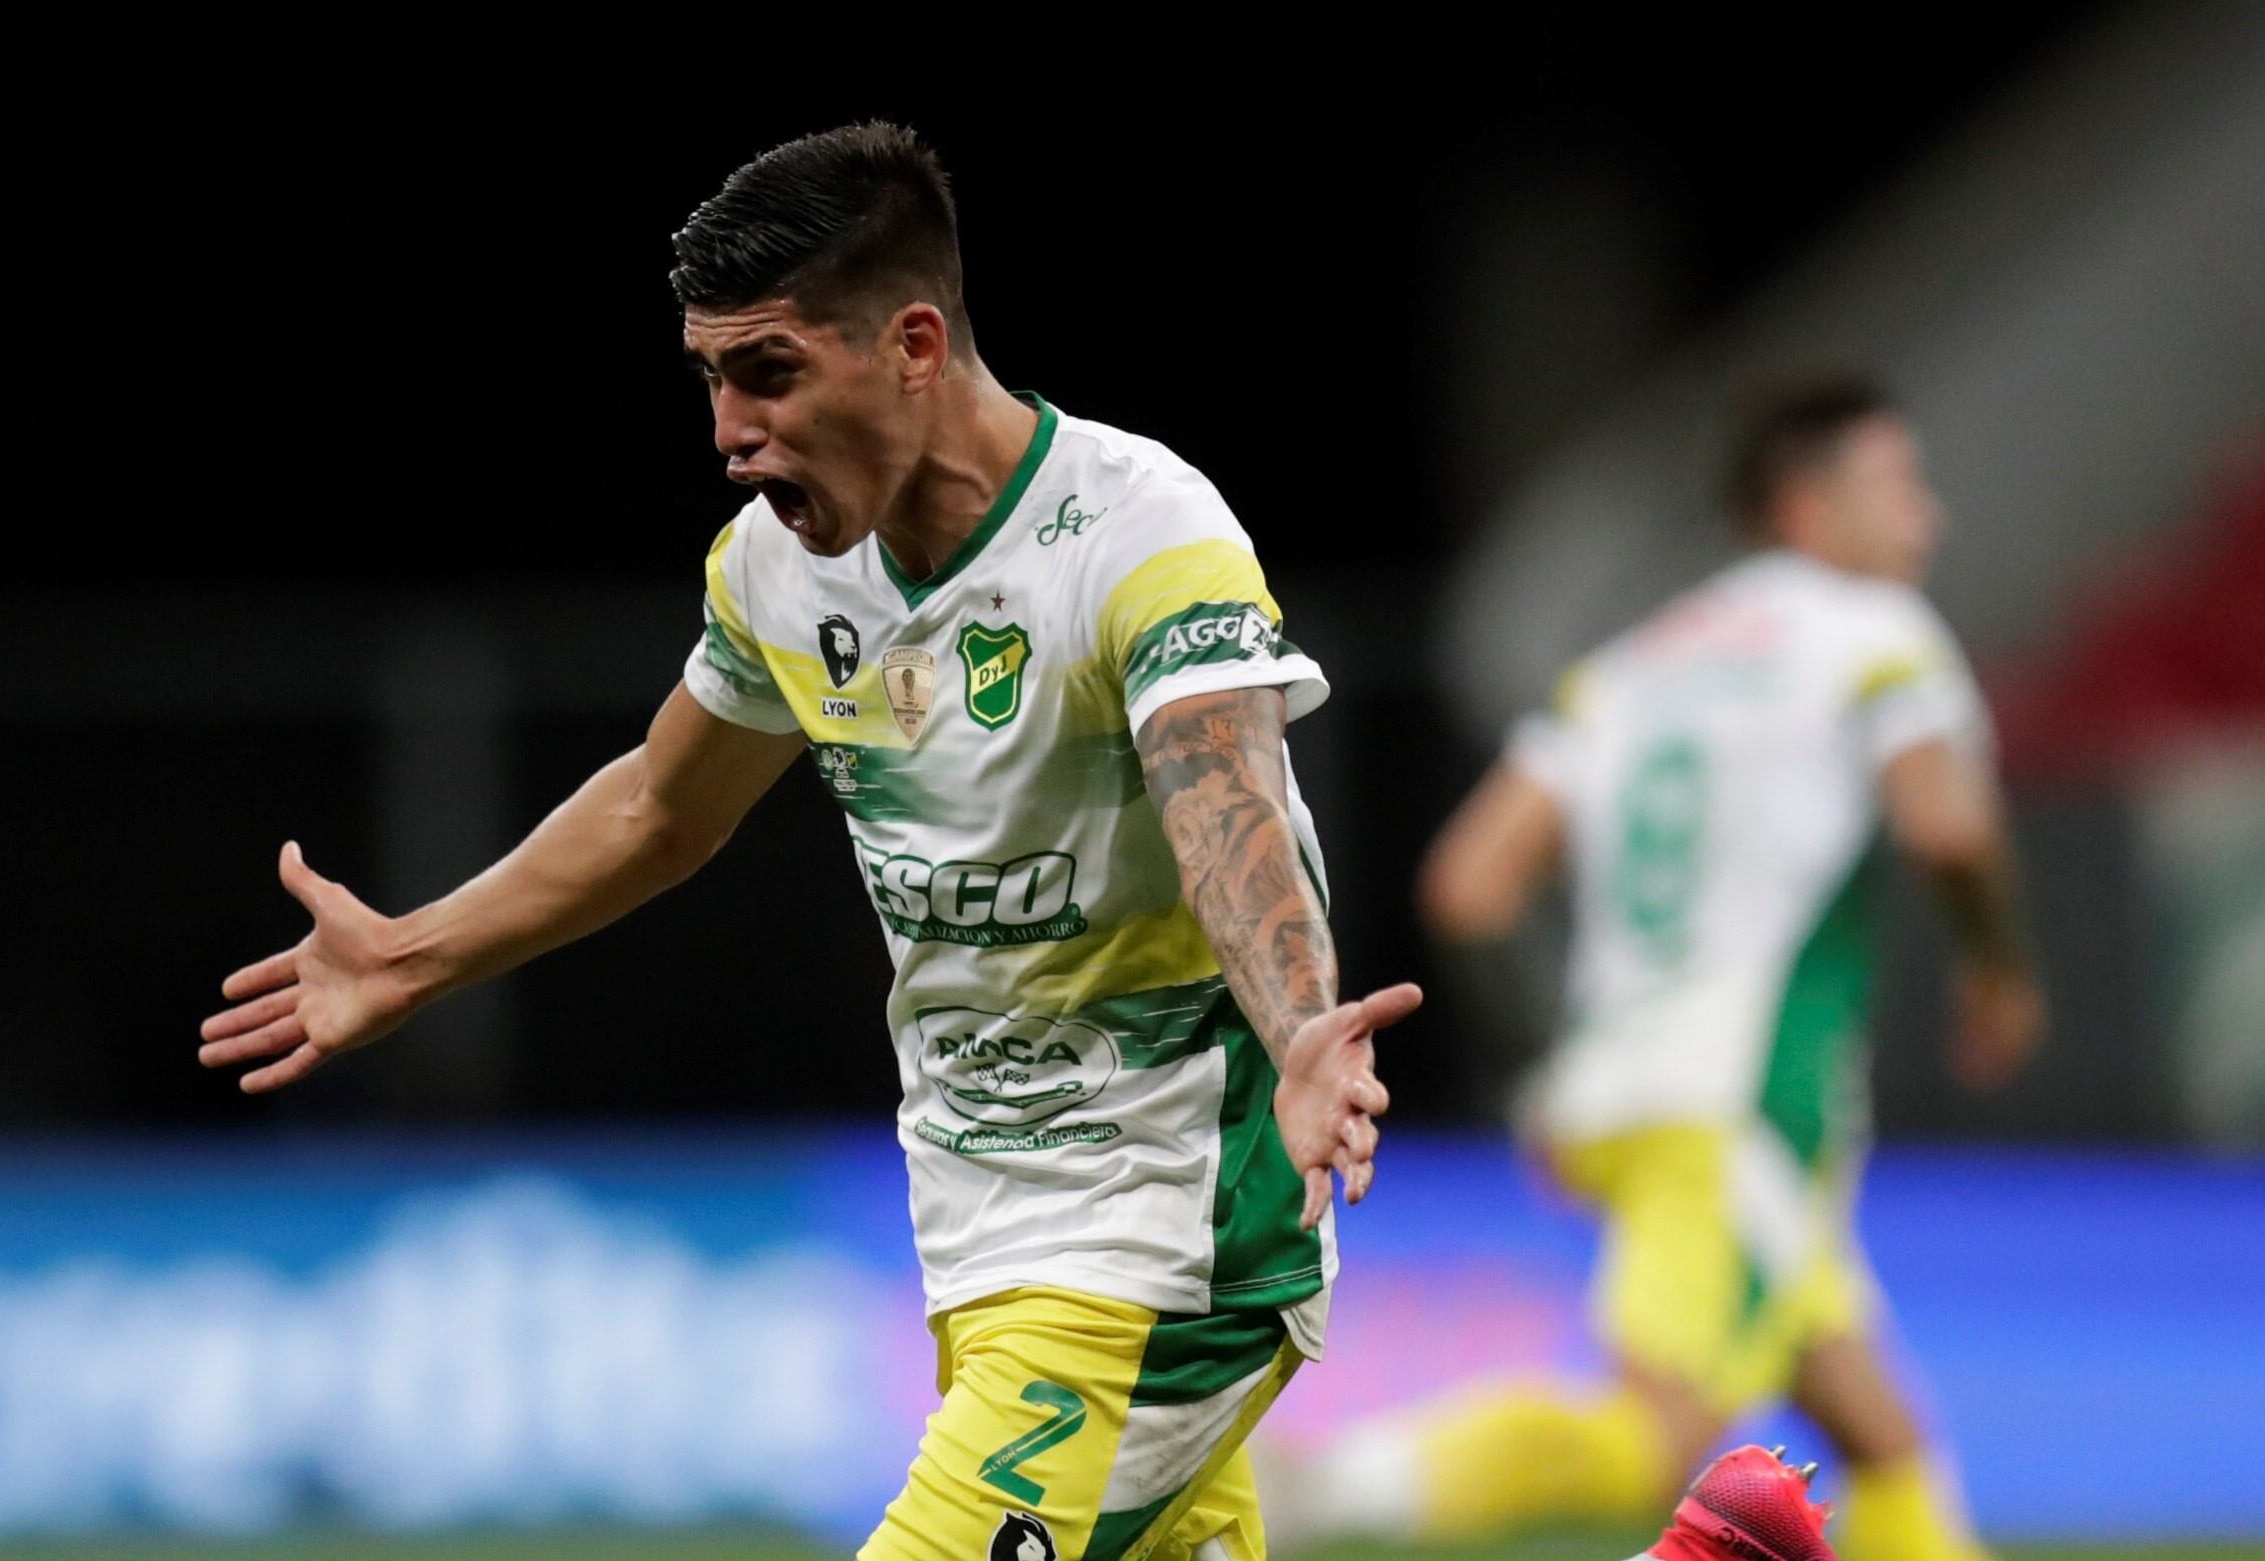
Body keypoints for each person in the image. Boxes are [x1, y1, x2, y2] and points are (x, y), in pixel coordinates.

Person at [197, 121, 1422, 1561]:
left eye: (766, 371)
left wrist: (1297, 1032)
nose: (726, 433)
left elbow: (1221, 799)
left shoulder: (1139, 532)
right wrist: (412, 954)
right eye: (711, 379)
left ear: (911, 343)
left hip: (1175, 1225)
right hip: (983, 1226)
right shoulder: (780, 570)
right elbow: (662, 805)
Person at [1282, 382, 2043, 1560]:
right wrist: (1998, 967)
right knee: (1656, 1436)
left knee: (1875, 1429)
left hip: (1623, 1093)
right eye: (1895, 484)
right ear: (1799, 503)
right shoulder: (1875, 632)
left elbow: (1469, 883)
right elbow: (1945, 827)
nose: (1925, 519)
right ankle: (1323, 1490)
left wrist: (1539, 1074)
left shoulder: (1633, 666)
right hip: (1743, 1105)